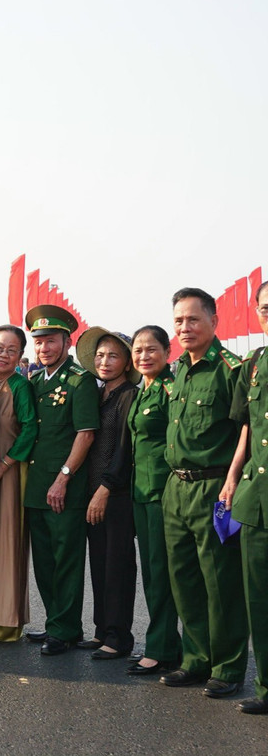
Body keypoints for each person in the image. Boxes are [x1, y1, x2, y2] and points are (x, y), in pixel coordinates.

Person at [160, 287, 247, 698]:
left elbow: (245, 430)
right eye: (178, 321)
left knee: (220, 583)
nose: (185, 327)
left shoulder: (232, 370)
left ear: (214, 321)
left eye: (193, 319)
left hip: (215, 488)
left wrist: (233, 481)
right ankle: (195, 659)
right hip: (175, 488)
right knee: (185, 581)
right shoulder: (177, 370)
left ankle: (227, 667)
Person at [23, 305, 99, 655]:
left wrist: (64, 478)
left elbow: (85, 434)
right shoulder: (36, 381)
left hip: (64, 487)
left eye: (51, 341)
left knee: (67, 560)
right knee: (44, 560)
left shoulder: (79, 381)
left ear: (67, 342)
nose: (44, 348)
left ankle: (65, 629)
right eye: (38, 343)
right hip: (37, 486)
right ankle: (55, 621)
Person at [76, 327, 138, 658]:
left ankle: (119, 637)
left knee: (118, 565)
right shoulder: (100, 394)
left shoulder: (130, 395)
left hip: (115, 494)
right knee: (99, 563)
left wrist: (105, 488)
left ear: (127, 362)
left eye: (113, 355)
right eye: (100, 355)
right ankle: (102, 630)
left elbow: (124, 450)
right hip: (92, 491)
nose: (105, 361)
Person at [221, 280, 268, 713]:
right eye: (266, 308)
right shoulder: (253, 363)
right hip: (257, 493)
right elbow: (247, 428)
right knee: (258, 596)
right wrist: (233, 477)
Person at [126, 324, 183, 677]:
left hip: (164, 494)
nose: (144, 356)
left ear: (167, 352)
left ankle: (162, 648)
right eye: (138, 350)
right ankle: (167, 645)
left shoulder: (170, 390)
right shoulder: (142, 390)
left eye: (151, 349)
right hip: (141, 494)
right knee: (152, 572)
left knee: (164, 574)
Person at [0, 324, 36, 642]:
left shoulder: (19, 386)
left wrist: (3, 466)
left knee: (7, 545)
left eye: (11, 350)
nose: (3, 354)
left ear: (20, 356)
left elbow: (29, 430)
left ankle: (5, 621)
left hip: (10, 473)